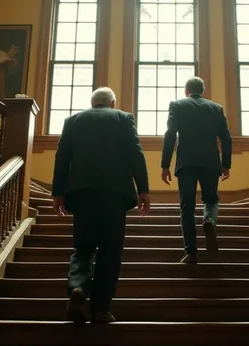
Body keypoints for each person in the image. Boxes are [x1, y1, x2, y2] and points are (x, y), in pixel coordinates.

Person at [51, 87, 151, 323]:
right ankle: (100, 310)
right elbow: (136, 154)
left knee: (83, 246)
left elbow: (62, 157)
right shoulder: (123, 118)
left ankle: (77, 287)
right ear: (112, 102)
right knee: (110, 250)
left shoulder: (73, 120)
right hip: (115, 194)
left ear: (92, 102)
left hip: (82, 193)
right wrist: (143, 189)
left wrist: (58, 193)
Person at [161, 77, 232, 264]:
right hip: (210, 162)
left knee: (187, 207)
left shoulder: (177, 105)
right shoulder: (216, 108)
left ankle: (191, 253)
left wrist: (165, 165)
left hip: (186, 163)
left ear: (186, 91)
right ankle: (209, 220)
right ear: (203, 90)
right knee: (211, 198)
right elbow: (226, 138)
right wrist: (226, 164)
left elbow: (170, 135)